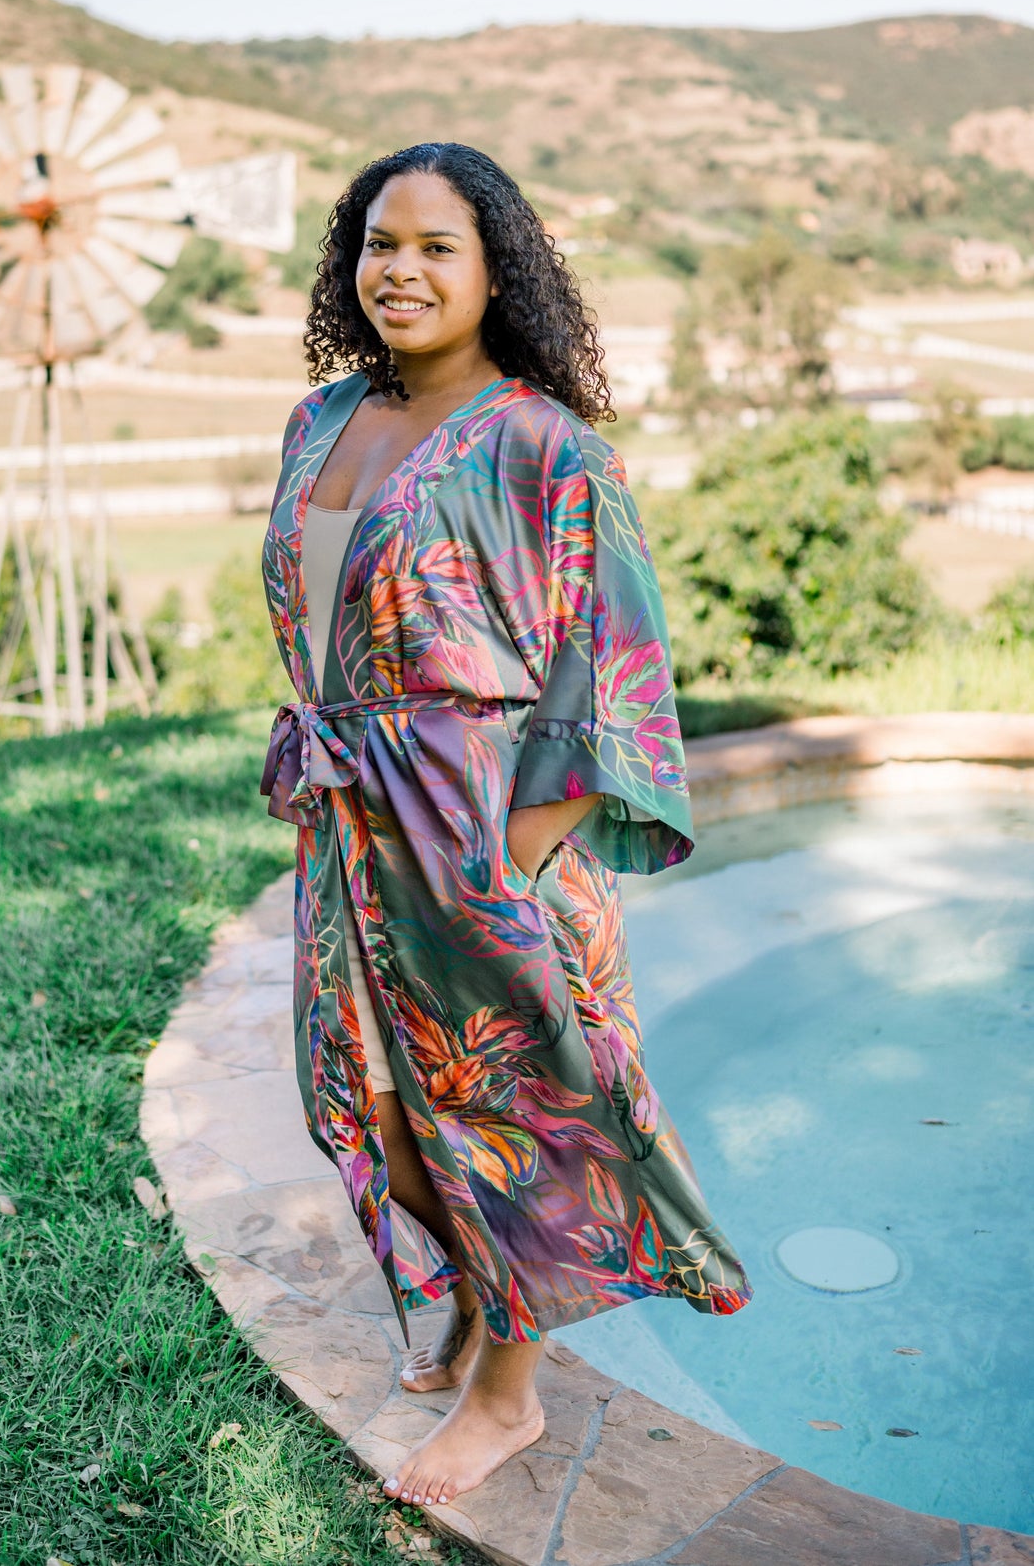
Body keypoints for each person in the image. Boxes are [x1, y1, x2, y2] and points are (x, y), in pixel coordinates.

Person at [260, 142, 750, 1509]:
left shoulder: (543, 443)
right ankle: (485, 1293)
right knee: (355, 1095)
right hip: (351, 818)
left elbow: (614, 665)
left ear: (494, 271)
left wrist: (519, 859)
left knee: (513, 1115)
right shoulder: (317, 421)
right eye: (377, 241)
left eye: (434, 246)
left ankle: (508, 1393)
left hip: (482, 827)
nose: (398, 270)